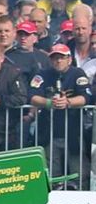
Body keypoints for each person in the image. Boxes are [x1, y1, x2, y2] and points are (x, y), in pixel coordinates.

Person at [30, 42, 91, 189]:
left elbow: (86, 97)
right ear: (50, 60)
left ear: (69, 59)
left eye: (62, 58)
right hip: (48, 133)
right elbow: (32, 97)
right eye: (55, 58)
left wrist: (68, 102)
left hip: (74, 133)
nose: (58, 61)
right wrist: (49, 103)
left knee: (79, 174)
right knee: (51, 175)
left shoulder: (78, 74)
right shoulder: (42, 74)